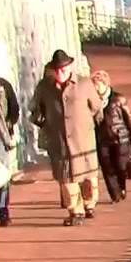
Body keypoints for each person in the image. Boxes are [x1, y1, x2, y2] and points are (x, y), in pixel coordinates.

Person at [29, 49, 103, 226]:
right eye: (57, 69)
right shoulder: (44, 87)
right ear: (52, 70)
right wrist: (43, 122)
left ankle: (89, 204)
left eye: (63, 68)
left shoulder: (84, 84)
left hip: (83, 140)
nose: (60, 72)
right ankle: (75, 212)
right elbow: (35, 110)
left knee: (88, 177)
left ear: (70, 67)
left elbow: (97, 108)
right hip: (59, 142)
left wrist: (87, 126)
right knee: (66, 179)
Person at [90, 70, 131, 203]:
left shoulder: (118, 99)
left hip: (120, 139)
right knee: (107, 167)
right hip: (102, 140)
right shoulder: (93, 102)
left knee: (120, 166)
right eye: (94, 85)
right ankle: (114, 193)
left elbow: (129, 119)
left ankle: (121, 187)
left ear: (105, 84)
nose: (96, 88)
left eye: (98, 85)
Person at [0, 70, 19, 227]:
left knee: (2, 174)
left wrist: (8, 127)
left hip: (0, 137)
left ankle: (3, 210)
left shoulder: (3, 86)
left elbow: (14, 110)